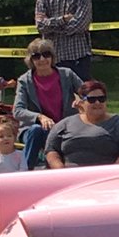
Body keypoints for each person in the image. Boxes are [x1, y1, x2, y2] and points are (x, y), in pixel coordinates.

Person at [12, 38, 82, 169]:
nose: (42, 59)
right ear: (31, 60)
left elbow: (88, 92)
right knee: (36, 130)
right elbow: (18, 111)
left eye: (46, 54)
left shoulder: (67, 74)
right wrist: (39, 117)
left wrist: (81, 101)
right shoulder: (24, 81)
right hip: (35, 130)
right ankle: (26, 171)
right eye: (36, 56)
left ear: (52, 57)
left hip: (64, 126)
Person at [44, 79, 119, 168]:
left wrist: (112, 172)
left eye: (101, 99)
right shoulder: (64, 125)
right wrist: (61, 171)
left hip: (106, 178)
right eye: (92, 99)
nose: (98, 102)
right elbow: (51, 150)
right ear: (82, 102)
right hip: (70, 177)